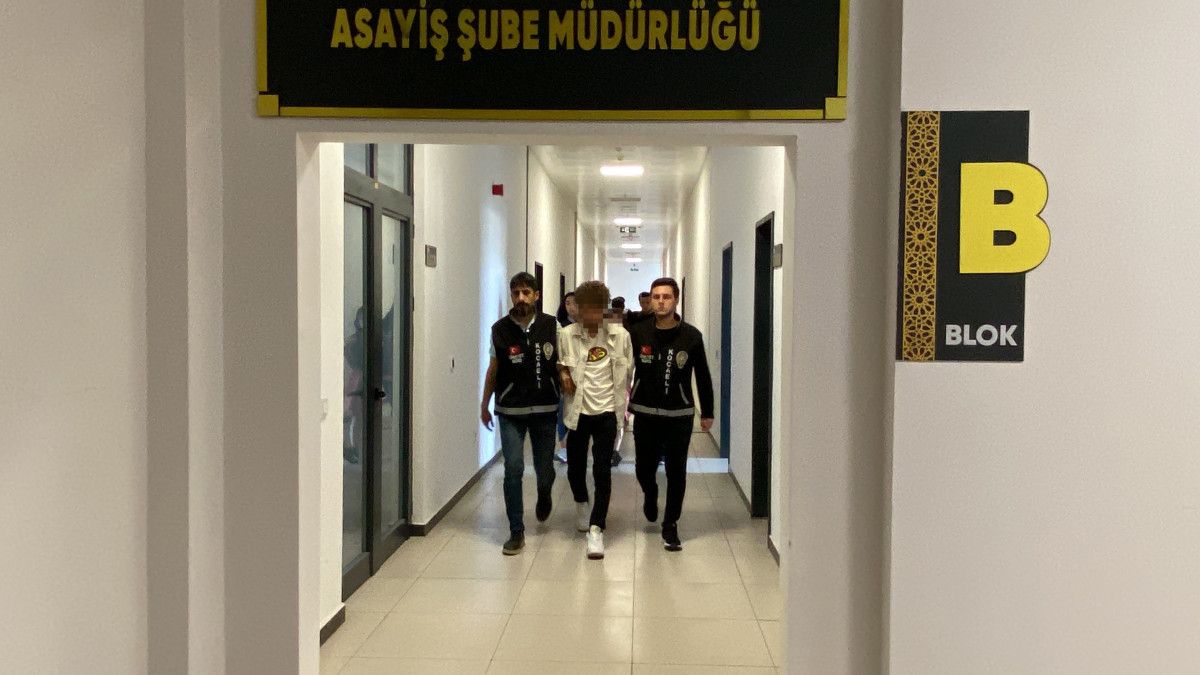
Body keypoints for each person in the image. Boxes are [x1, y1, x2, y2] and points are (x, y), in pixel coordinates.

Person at [628, 277, 714, 552]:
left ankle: (670, 524)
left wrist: (707, 411)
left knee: (677, 471)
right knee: (643, 468)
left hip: (679, 414)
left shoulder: (691, 336)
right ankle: (650, 492)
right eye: (656, 297)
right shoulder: (638, 332)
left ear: (676, 300)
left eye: (666, 297)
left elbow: (703, 375)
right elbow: (623, 366)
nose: (661, 302)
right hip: (645, 412)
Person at [480, 273, 561, 555]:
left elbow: (562, 362)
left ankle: (544, 492)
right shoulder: (499, 329)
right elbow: (493, 369)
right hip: (510, 409)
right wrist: (484, 403)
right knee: (513, 468)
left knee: (544, 469)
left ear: (536, 295)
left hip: (545, 408)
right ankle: (516, 531)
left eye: (526, 292)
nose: (521, 298)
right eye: (516, 293)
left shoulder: (552, 326)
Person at [558, 281, 632, 560]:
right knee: (575, 468)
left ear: (604, 309)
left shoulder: (620, 336)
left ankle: (596, 528)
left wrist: (625, 409)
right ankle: (581, 502)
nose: (589, 315)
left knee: (602, 470)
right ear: (578, 308)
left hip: (607, 413)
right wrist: (563, 374)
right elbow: (561, 363)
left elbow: (629, 370)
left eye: (595, 309)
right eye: (584, 309)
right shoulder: (567, 335)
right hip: (578, 412)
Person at [553, 292, 578, 464]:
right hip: (563, 376)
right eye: (567, 303)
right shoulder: (560, 327)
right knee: (563, 412)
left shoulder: (587, 327)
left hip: (582, 377)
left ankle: (572, 447)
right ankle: (563, 448)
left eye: (574, 303)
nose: (570, 306)